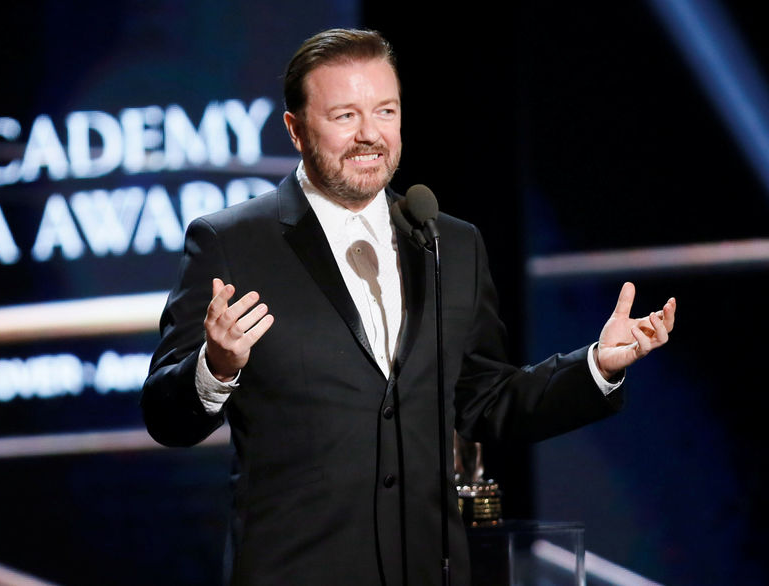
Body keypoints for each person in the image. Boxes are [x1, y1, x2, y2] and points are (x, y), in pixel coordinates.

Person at [141, 28, 676, 586]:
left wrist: (598, 366)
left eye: (386, 111)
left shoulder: (449, 242)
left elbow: (485, 401)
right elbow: (164, 416)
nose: (370, 134)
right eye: (345, 115)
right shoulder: (233, 242)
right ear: (295, 131)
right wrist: (215, 367)